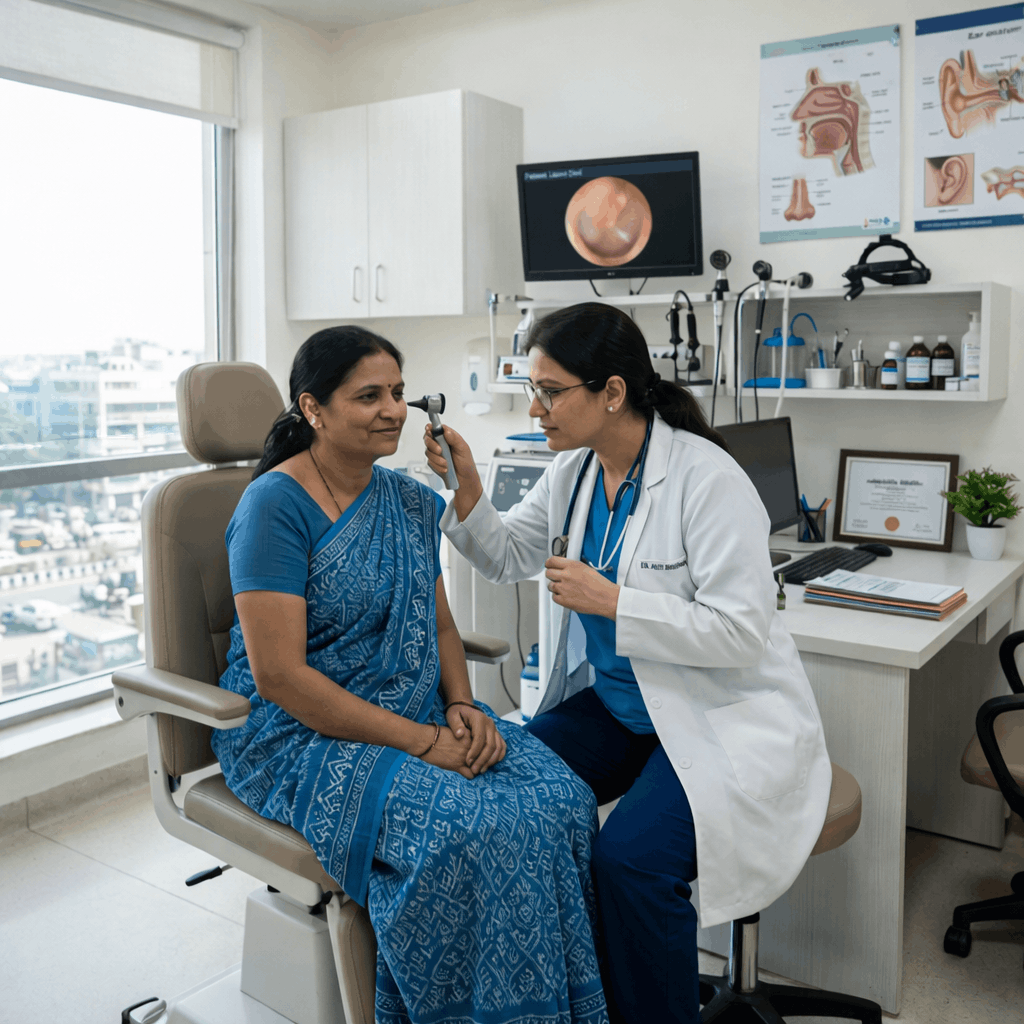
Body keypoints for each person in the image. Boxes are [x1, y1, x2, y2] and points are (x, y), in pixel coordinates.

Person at [424, 303, 832, 1024]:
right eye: (531, 388)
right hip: (620, 706)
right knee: (501, 787)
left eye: (550, 390)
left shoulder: (707, 479)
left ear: (611, 392)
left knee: (631, 862)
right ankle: (569, 997)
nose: (535, 406)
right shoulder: (575, 472)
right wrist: (467, 493)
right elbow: (509, 556)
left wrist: (615, 604)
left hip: (712, 716)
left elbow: (740, 632)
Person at [212, 325, 609, 1024]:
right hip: (297, 737)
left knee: (561, 798)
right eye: (369, 396)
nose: (394, 411)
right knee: (467, 827)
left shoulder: (403, 499)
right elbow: (279, 678)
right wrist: (422, 743)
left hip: (414, 716)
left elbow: (441, 626)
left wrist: (465, 708)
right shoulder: (273, 508)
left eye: (397, 392)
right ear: (313, 408)